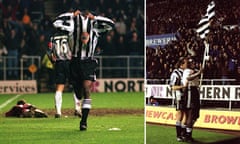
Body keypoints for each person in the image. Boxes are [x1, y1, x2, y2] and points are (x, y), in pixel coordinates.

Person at [53, 9, 115, 130]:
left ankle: (84, 121)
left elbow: (111, 24)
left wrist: (95, 18)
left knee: (87, 89)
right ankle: (78, 98)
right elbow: (56, 22)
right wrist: (71, 15)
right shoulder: (72, 25)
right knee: (78, 92)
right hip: (74, 62)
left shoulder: (95, 26)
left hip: (88, 62)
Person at [47, 29, 82, 118]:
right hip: (70, 62)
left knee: (59, 87)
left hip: (59, 63)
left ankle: (58, 112)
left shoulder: (53, 37)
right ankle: (77, 109)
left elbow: (49, 52)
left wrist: (53, 60)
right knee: (75, 86)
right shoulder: (70, 35)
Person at [182, 57, 203, 142]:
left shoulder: (193, 70)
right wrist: (199, 73)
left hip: (194, 91)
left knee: (195, 114)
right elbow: (188, 78)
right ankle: (187, 135)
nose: (194, 64)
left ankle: (186, 132)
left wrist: (200, 71)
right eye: (192, 63)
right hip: (190, 90)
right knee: (190, 113)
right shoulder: (187, 71)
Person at [169, 57, 188, 142]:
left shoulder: (187, 72)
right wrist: (183, 87)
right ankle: (178, 135)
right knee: (180, 114)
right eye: (186, 63)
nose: (187, 64)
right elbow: (172, 87)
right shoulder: (175, 73)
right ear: (181, 64)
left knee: (186, 114)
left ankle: (184, 134)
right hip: (179, 96)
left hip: (187, 95)